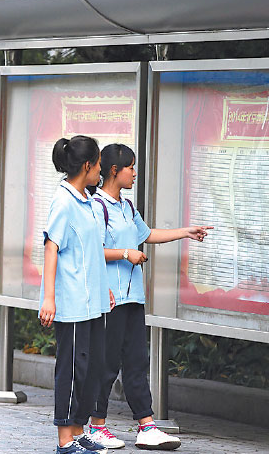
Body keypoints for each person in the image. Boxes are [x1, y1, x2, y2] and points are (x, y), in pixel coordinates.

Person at [88, 144, 212, 451]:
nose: (135, 173)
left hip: (133, 299)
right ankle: (95, 425)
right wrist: (126, 254)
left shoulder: (127, 207)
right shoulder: (96, 207)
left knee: (136, 361)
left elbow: (147, 234)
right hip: (110, 298)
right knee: (106, 364)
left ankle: (146, 425)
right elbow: (90, 252)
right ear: (114, 171)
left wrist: (186, 232)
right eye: (131, 167)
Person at [39, 135, 116, 454]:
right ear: (87, 166)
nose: (101, 171)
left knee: (92, 366)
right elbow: (51, 246)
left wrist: (104, 288)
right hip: (71, 303)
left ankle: (80, 431)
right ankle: (64, 440)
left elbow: (91, 251)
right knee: (71, 370)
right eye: (99, 165)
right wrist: (48, 298)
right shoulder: (63, 201)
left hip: (93, 302)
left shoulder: (86, 199)